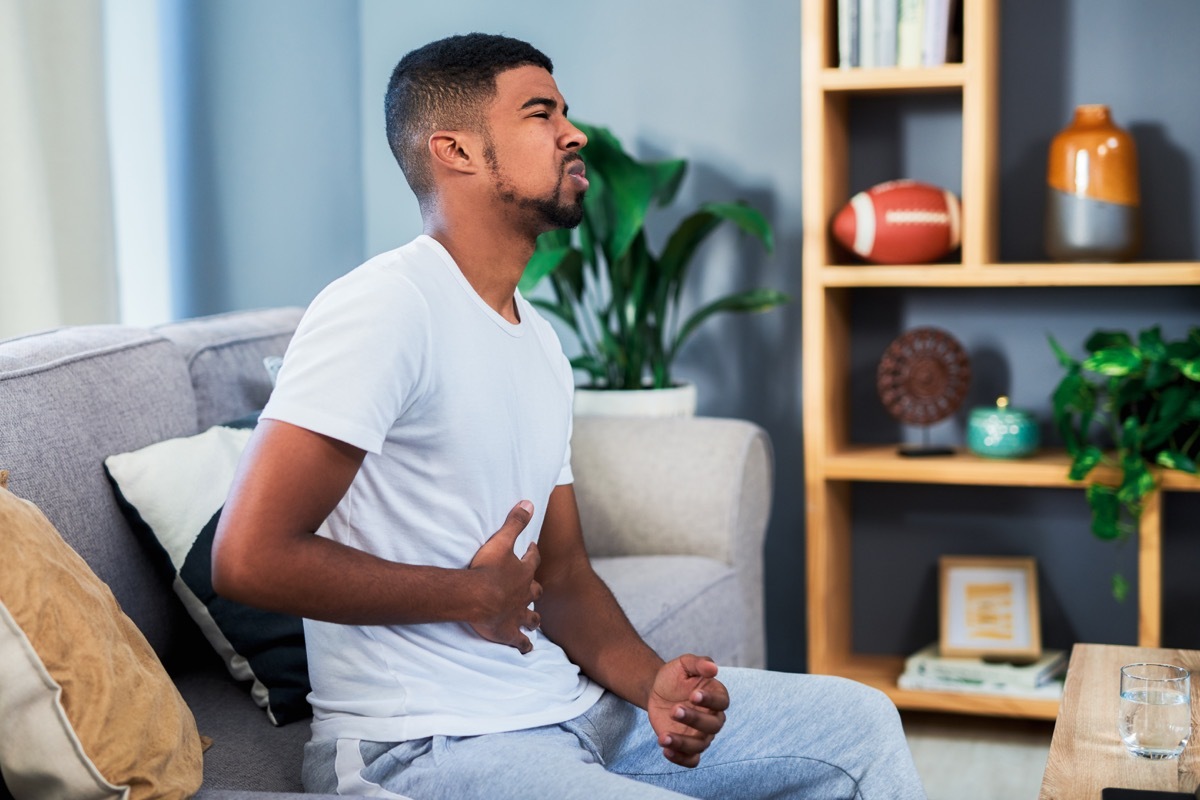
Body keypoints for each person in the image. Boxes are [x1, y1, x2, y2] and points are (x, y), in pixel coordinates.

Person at [212, 32, 927, 800]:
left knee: (858, 722)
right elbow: (249, 557)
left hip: (575, 711)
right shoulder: (385, 308)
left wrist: (652, 684)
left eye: (565, 112)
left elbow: (563, 575)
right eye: (539, 112)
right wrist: (466, 594)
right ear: (456, 151)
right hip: (426, 745)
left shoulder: (539, 343)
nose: (574, 132)